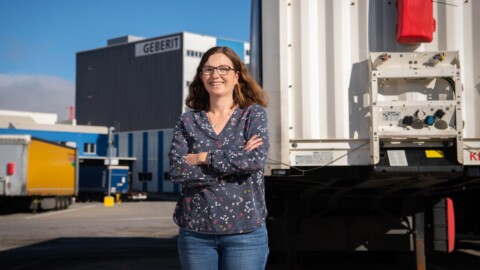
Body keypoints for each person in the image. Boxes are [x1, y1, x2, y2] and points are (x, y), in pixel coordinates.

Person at [168, 46, 270, 270]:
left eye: (224, 68)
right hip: (196, 234)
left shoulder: (253, 115)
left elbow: (254, 161)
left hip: (245, 234)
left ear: (236, 76)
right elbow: (177, 170)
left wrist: (202, 157)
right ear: (201, 76)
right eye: (209, 69)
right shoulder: (188, 121)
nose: (215, 75)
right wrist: (235, 164)